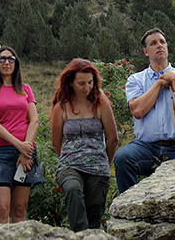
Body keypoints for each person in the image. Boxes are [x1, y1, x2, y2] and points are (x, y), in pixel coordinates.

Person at [114, 28, 175, 194]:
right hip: (145, 147)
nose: (159, 45)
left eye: (162, 42)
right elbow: (137, 110)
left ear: (167, 47)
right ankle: (131, 205)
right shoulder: (136, 80)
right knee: (124, 158)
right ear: (146, 52)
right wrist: (159, 84)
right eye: (153, 43)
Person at [50, 59, 119, 232]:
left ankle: (92, 235)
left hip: (98, 166)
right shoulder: (62, 107)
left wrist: (105, 163)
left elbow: (113, 139)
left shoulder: (101, 104)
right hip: (69, 165)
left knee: (94, 215)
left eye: (90, 82)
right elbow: (56, 142)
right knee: (73, 190)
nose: (86, 87)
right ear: (71, 82)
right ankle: (79, 235)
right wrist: (68, 158)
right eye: (81, 83)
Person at [0, 46, 43, 224]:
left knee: (20, 209)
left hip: (25, 153)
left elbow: (34, 120)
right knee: (1, 207)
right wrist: (19, 145)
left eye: (11, 59)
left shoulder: (25, 89)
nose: (6, 62)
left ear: (16, 63)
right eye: (2, 59)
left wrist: (25, 150)